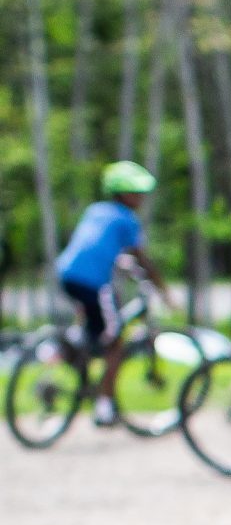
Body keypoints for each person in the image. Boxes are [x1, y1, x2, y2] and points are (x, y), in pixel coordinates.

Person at [54, 161, 170, 426]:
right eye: (137, 193)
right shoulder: (126, 219)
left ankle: (74, 347)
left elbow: (99, 247)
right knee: (115, 341)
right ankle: (104, 406)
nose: (141, 199)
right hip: (93, 281)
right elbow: (141, 257)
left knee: (98, 322)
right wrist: (162, 288)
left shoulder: (97, 210)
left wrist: (124, 266)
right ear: (123, 194)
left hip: (67, 274)